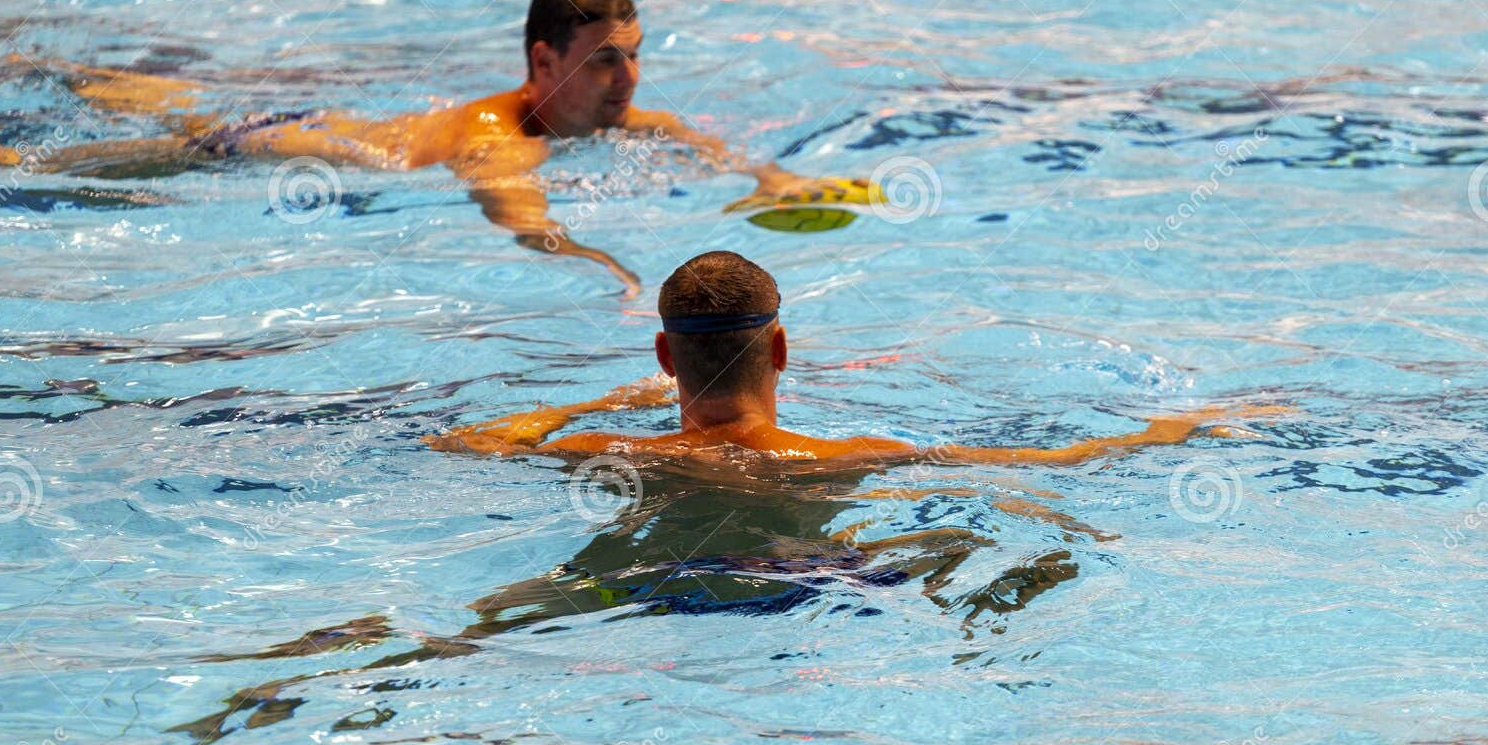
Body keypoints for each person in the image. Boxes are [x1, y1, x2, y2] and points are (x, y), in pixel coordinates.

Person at [0, 0, 866, 295]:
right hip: (292, 147)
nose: (629, 80)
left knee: (166, 101)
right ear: (542, 64)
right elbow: (515, 211)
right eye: (603, 62)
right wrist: (602, 265)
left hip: (326, 121)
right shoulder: (500, 136)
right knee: (122, 164)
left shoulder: (617, 109)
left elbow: (699, 143)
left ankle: (64, 70)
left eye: (633, 56)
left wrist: (769, 181)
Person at [428, 249, 1288, 466]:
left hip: (644, 593)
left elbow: (468, 443)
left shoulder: (603, 455)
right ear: (782, 348)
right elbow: (1053, 458)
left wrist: (587, 409)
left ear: (663, 355)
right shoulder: (840, 461)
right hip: (812, 588)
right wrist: (1179, 428)